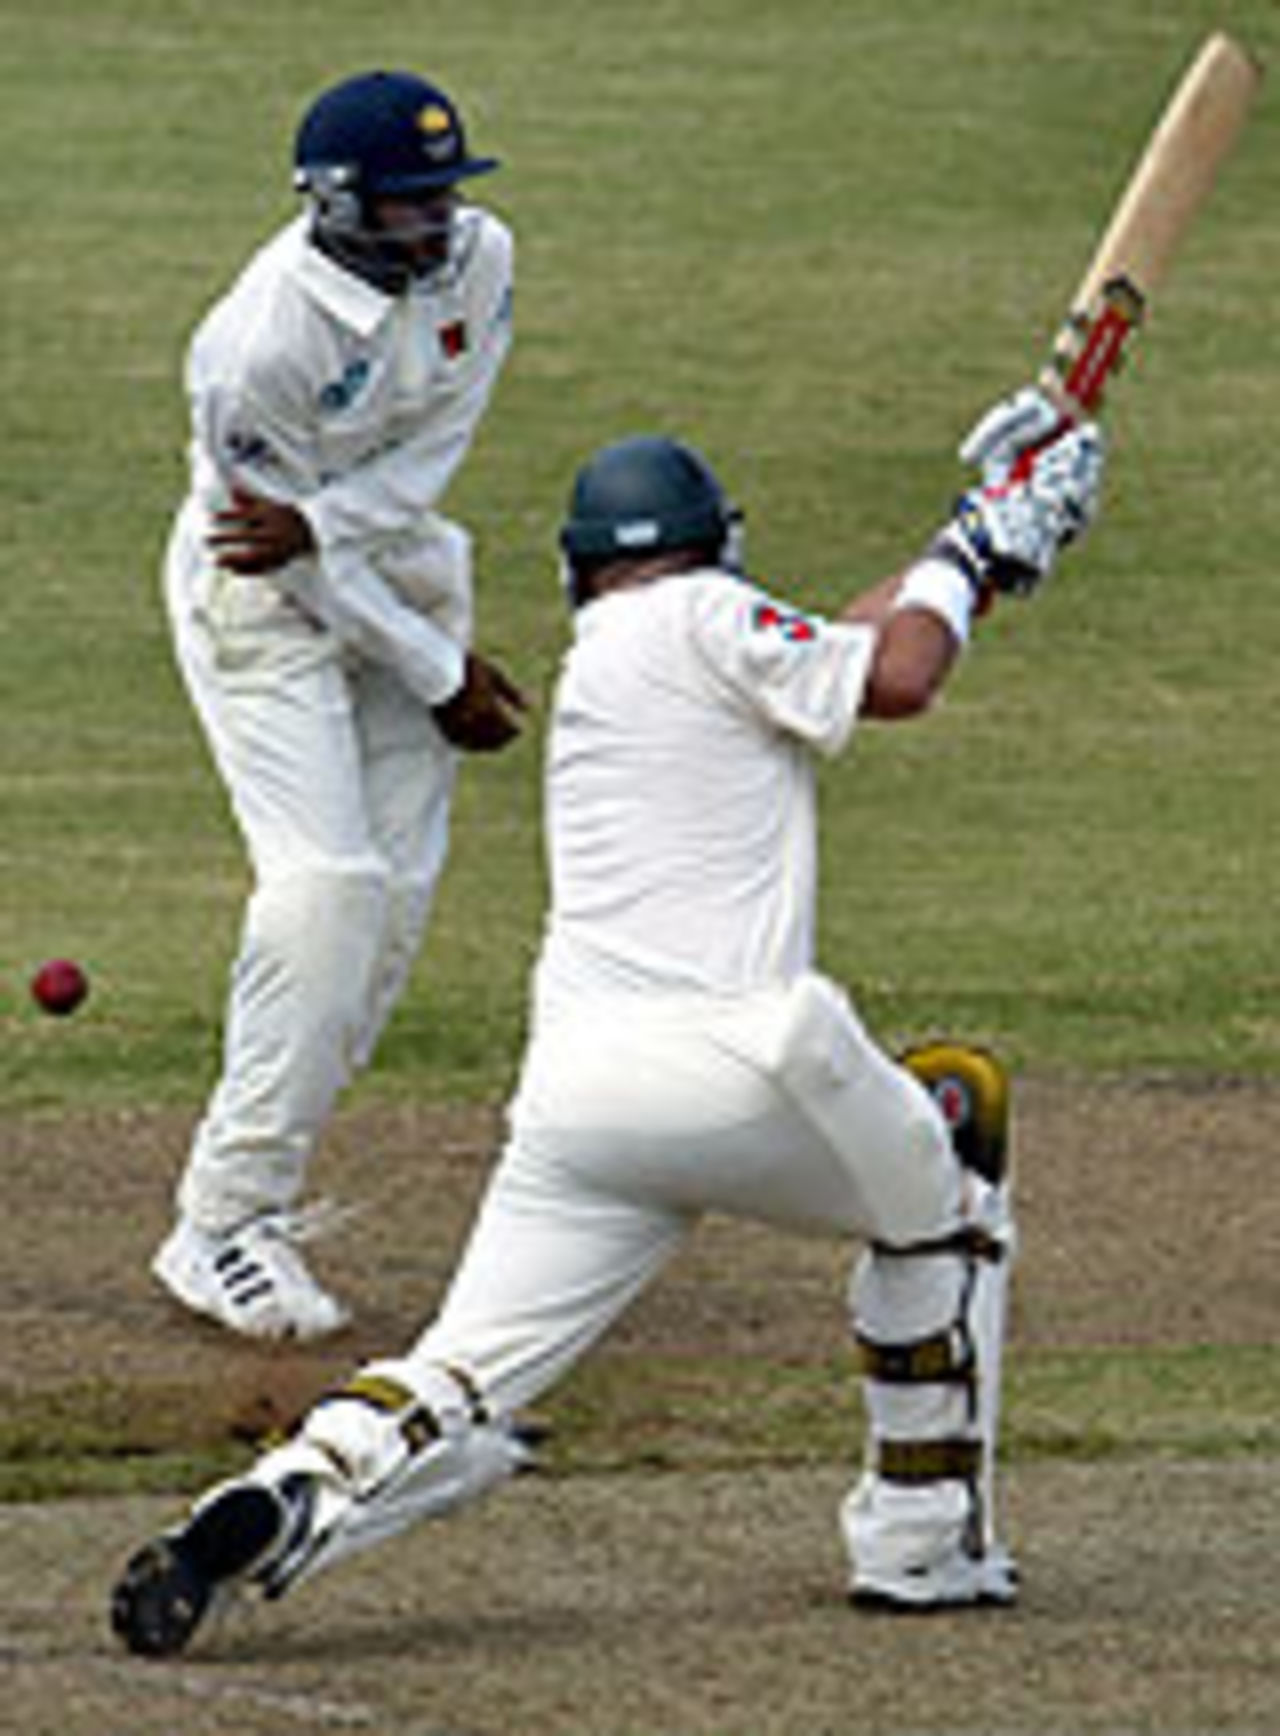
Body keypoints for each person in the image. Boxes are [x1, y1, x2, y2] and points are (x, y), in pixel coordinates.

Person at [112, 394, 1104, 1655]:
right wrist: (978, 552)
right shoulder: (707, 620)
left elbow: (844, 649)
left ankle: (261, 1502)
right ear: (720, 543)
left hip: (581, 1106)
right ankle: (920, 1544)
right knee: (952, 1149)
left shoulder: (622, 656)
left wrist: (973, 537)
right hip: (744, 1062)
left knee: (462, 1368)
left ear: (580, 567)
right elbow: (901, 670)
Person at [151, 69, 526, 1342]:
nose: (436, 229)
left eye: (444, 199)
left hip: (400, 570)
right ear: (331, 203)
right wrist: (440, 673)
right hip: (262, 603)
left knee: (391, 914)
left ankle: (267, 1179)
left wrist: (345, 529)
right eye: (407, 207)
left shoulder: (484, 260)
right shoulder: (258, 344)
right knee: (327, 889)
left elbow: (431, 459)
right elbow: (281, 553)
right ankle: (219, 1222)